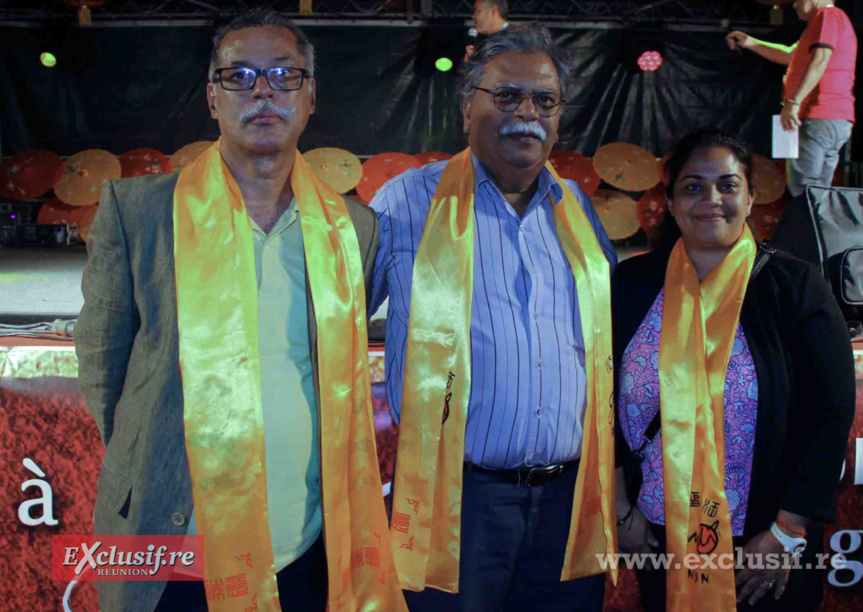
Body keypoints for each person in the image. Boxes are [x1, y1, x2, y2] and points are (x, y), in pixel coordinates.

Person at [76, 10, 406, 612]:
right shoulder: (140, 211)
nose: (262, 91)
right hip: (174, 540)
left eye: (284, 75)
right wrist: (151, 457)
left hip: (304, 544)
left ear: (310, 96)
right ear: (211, 95)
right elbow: (103, 362)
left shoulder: (352, 229)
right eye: (240, 76)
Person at [370, 23, 618, 612]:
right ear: (467, 108)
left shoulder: (577, 209)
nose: (526, 113)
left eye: (544, 100)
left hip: (570, 503)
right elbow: (332, 325)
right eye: (506, 96)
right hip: (454, 504)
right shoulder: (407, 202)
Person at [613, 128, 855, 612]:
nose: (711, 199)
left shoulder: (794, 286)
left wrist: (788, 532)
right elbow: (600, 401)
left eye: (727, 185)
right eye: (693, 186)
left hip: (765, 542)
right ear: (672, 201)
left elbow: (830, 414)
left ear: (750, 199)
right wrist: (622, 513)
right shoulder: (633, 283)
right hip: (659, 533)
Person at [726, 0, 856, 197]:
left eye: (796, 0)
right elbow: (790, 55)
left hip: (818, 113)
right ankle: (816, 226)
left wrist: (793, 103)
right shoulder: (822, 22)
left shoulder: (828, 15)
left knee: (803, 188)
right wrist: (750, 42)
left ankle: (806, 227)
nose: (793, 6)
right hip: (830, 117)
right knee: (817, 191)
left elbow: (820, 59)